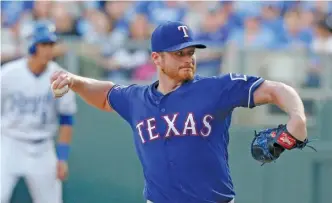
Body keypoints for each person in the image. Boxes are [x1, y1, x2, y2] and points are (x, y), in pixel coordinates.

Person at [51, 21, 308, 203]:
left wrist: (297, 117)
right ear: (156, 58)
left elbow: (276, 90)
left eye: (191, 52)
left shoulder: (216, 88)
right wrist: (75, 80)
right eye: (178, 53)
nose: (188, 58)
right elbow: (106, 95)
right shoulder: (136, 99)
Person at [1, 21, 77, 203]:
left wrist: (62, 157)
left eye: (51, 45)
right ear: (32, 46)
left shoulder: (60, 77)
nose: (48, 50)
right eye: (43, 44)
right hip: (11, 143)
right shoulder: (9, 74)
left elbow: (67, 119)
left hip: (43, 148)